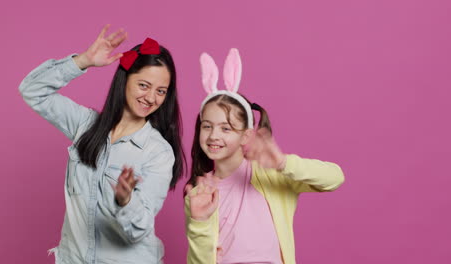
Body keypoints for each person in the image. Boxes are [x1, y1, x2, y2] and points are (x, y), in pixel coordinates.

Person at [19, 25, 185, 263]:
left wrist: (124, 201)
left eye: (161, 91)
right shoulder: (85, 125)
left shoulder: (158, 152)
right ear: (125, 80)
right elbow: (32, 91)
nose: (151, 98)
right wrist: (83, 61)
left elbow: (138, 230)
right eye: (144, 85)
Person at [185, 48, 345, 264]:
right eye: (207, 126)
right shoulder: (199, 193)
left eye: (226, 128)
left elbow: (334, 178)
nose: (214, 135)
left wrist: (282, 162)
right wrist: (199, 222)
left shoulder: (273, 175)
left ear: (246, 136)